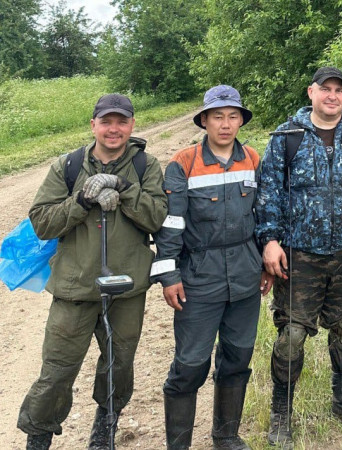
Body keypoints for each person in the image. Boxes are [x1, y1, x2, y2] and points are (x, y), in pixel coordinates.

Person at [255, 66, 342, 447]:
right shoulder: (287, 137)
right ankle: (281, 412)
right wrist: (269, 240)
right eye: (325, 89)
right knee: (292, 335)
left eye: (339, 90)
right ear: (311, 92)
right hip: (298, 254)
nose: (332, 96)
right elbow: (268, 191)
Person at [18, 94, 167, 449]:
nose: (114, 129)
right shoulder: (67, 166)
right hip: (74, 286)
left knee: (119, 366)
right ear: (93, 125)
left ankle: (104, 427)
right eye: (106, 122)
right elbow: (42, 222)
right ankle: (38, 438)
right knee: (57, 371)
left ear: (132, 125)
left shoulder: (146, 166)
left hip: (127, 287)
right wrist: (82, 200)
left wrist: (124, 189)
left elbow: (157, 217)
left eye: (121, 122)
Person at [150, 85, 265, 450]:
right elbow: (170, 225)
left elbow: (263, 216)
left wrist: (265, 262)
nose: (225, 124)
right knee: (190, 365)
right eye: (218, 117)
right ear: (204, 121)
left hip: (246, 275)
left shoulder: (252, 158)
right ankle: (178, 445)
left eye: (233, 116)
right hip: (199, 277)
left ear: (241, 121)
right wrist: (169, 275)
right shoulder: (183, 163)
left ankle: (226, 437)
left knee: (237, 358)